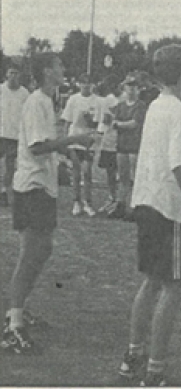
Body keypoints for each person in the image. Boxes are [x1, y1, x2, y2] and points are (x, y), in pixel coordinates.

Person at [118, 45, 181, 387]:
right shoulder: (180, 111)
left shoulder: (154, 105)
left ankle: (133, 355)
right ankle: (154, 371)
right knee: (174, 287)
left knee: (151, 282)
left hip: (147, 202)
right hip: (170, 208)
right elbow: (180, 165)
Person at [1, 53, 94, 353]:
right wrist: (72, 141)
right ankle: (14, 324)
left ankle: (17, 309)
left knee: (41, 249)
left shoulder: (44, 100)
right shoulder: (38, 101)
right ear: (46, 72)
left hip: (40, 186)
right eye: (59, 66)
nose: (63, 69)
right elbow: (37, 147)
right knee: (33, 252)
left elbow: (41, 146)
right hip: (33, 187)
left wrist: (65, 151)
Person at [108, 74, 147, 221]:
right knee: (123, 177)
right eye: (129, 86)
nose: (131, 90)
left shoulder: (140, 105)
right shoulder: (121, 105)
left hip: (135, 145)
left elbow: (134, 123)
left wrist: (118, 124)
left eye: (134, 87)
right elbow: (112, 120)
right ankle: (121, 204)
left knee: (135, 177)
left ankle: (135, 207)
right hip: (122, 144)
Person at [61, 73, 100, 216]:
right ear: (79, 84)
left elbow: (98, 123)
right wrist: (65, 141)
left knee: (87, 171)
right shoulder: (73, 99)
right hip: (75, 139)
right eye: (83, 83)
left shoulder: (97, 101)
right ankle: (76, 201)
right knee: (76, 172)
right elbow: (67, 121)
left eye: (89, 83)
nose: (86, 85)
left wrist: (90, 120)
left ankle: (88, 202)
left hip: (89, 139)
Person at [0, 64, 30, 207]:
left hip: (15, 135)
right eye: (11, 73)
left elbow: (29, 114)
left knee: (10, 165)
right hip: (0, 133)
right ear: (6, 74)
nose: (13, 76)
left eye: (16, 73)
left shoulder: (24, 93)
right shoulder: (1, 90)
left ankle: (4, 191)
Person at [95, 74, 121, 214]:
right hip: (109, 140)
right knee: (111, 172)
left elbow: (108, 118)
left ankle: (116, 199)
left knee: (115, 173)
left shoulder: (112, 99)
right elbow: (105, 120)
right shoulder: (108, 100)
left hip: (116, 141)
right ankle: (112, 198)